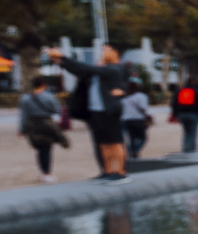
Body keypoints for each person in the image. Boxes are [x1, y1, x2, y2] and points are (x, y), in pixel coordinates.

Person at [49, 44, 133, 184]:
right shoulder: (101, 69)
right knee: (102, 143)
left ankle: (120, 172)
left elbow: (85, 68)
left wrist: (62, 57)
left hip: (109, 110)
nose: (102, 52)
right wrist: (60, 61)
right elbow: (80, 70)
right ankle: (107, 171)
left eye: (106, 50)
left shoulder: (115, 68)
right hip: (95, 111)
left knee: (114, 141)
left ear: (116, 52)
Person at [18, 77, 69, 184]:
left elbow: (23, 115)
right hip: (46, 123)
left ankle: (42, 172)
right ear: (44, 85)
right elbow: (57, 110)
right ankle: (47, 173)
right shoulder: (49, 97)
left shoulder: (25, 98)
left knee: (39, 149)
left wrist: (22, 129)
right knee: (47, 148)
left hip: (33, 124)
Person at [171, 82, 198, 153]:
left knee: (186, 132)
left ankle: (185, 148)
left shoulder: (180, 92)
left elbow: (174, 104)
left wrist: (175, 115)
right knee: (192, 132)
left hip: (182, 114)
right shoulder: (196, 92)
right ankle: (191, 149)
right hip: (193, 114)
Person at [120, 86, 150, 159]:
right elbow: (143, 108)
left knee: (131, 138)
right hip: (137, 119)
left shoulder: (123, 98)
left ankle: (131, 154)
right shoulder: (141, 96)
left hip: (125, 120)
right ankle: (135, 150)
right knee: (143, 138)